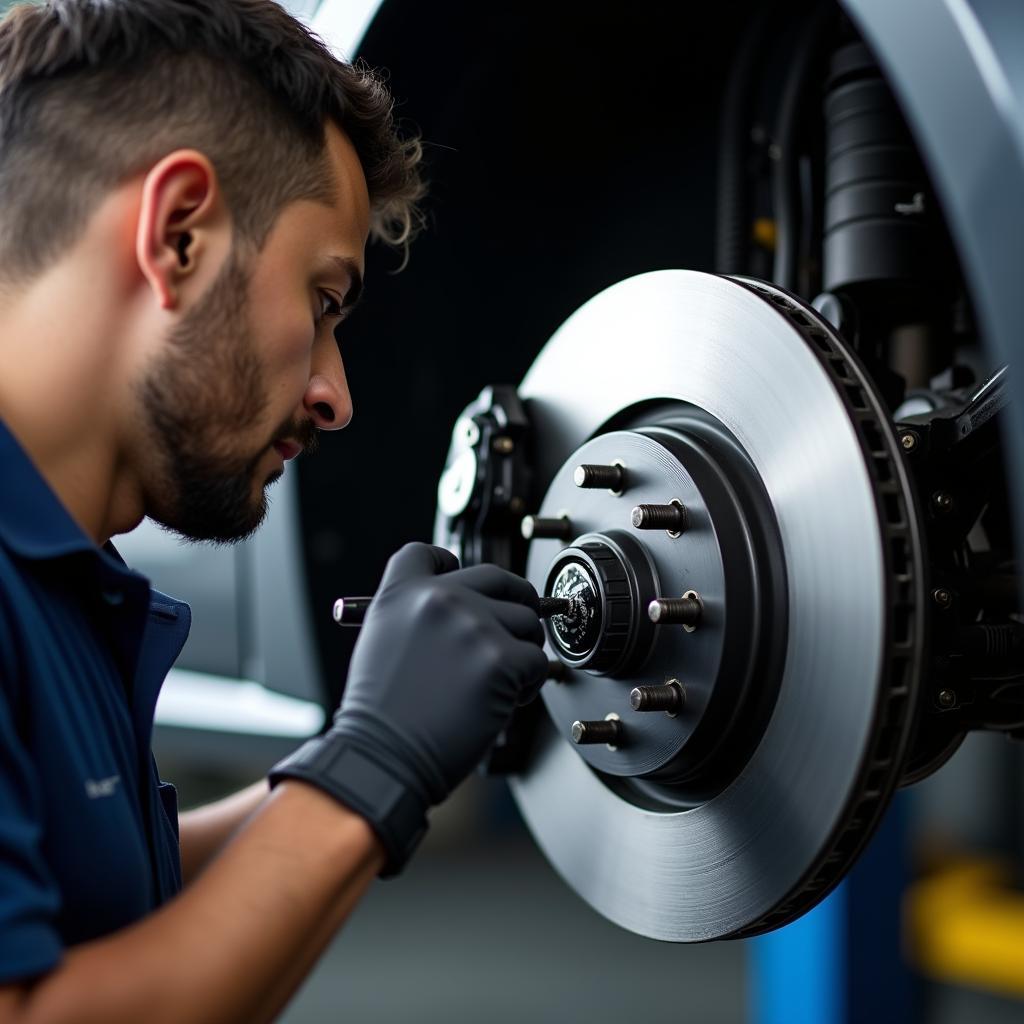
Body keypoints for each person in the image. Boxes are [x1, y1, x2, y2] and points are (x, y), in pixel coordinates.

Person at [0, 1, 549, 1019]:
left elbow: (121, 900)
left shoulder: (59, 582)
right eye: (323, 298)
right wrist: (371, 763)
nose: (335, 393)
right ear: (177, 236)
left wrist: (375, 743)